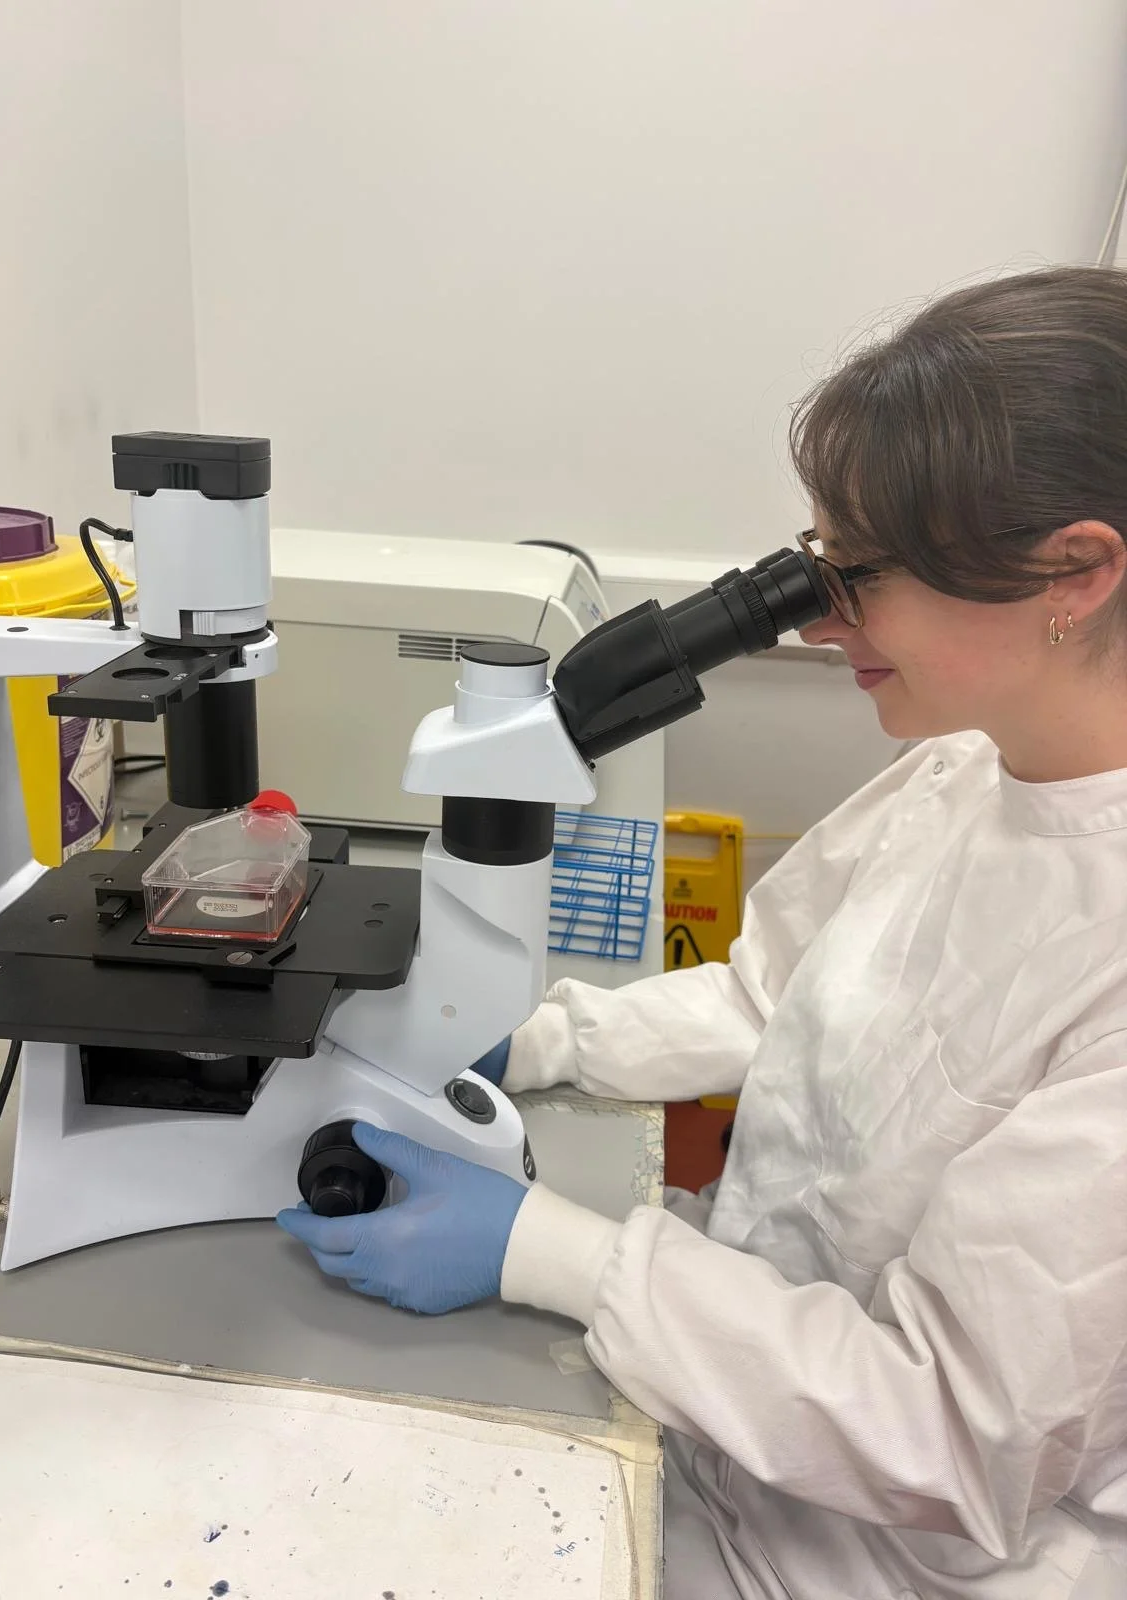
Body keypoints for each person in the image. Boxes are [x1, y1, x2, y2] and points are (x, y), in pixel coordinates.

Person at [277, 266, 1127, 1599]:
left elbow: (953, 1428)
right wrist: (540, 1043)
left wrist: (552, 1252)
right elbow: (766, 995)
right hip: (720, 1401)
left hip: (886, 1558)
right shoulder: (966, 772)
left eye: (857, 575)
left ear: (1071, 572)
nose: (820, 614)